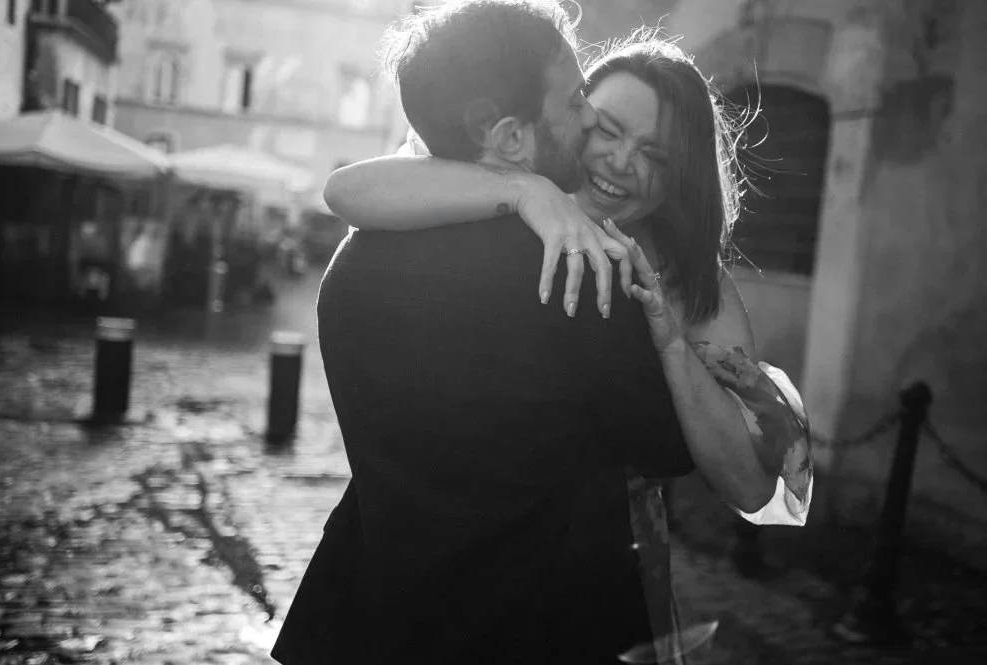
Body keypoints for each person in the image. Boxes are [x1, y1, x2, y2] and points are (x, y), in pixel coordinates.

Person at [322, 29, 815, 661]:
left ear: (682, 176)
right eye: (606, 127)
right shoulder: (494, 182)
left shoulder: (694, 281)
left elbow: (749, 485)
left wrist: (671, 346)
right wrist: (527, 192)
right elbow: (346, 191)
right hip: (420, 560)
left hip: (594, 569)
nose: (620, 161)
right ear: (571, 112)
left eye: (655, 154)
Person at [272, 3, 703, 664]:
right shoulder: (580, 276)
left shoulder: (348, 268)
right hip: (525, 633)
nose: (589, 117)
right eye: (573, 101)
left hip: (366, 622)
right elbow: (668, 445)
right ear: (510, 139)